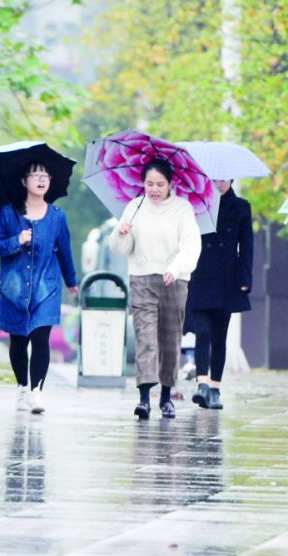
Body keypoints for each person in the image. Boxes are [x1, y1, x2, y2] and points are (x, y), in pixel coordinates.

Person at [108, 160, 201, 420]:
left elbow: (191, 246)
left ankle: (166, 397)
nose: (154, 189)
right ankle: (144, 399)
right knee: (145, 339)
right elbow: (119, 248)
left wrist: (176, 267)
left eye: (160, 184)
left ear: (171, 184)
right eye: (149, 184)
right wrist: (122, 232)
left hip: (174, 280)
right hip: (141, 279)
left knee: (170, 340)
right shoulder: (135, 207)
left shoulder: (183, 209)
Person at [0, 161, 78, 414]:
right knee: (18, 340)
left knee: (41, 337)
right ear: (23, 181)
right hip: (14, 290)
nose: (41, 179)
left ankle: (37, 392)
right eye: (36, 175)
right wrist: (16, 240)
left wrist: (71, 281)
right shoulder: (8, 214)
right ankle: (22, 388)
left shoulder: (58, 216)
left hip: (45, 289)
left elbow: (65, 252)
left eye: (45, 175)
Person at [186, 179, 254, 410]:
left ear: (232, 180)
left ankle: (215, 388)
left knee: (219, 336)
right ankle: (202, 384)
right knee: (202, 331)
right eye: (215, 179)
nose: (220, 183)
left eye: (224, 179)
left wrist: (245, 279)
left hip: (228, 276)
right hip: (201, 272)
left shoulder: (242, 207)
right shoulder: (198, 202)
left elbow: (247, 245)